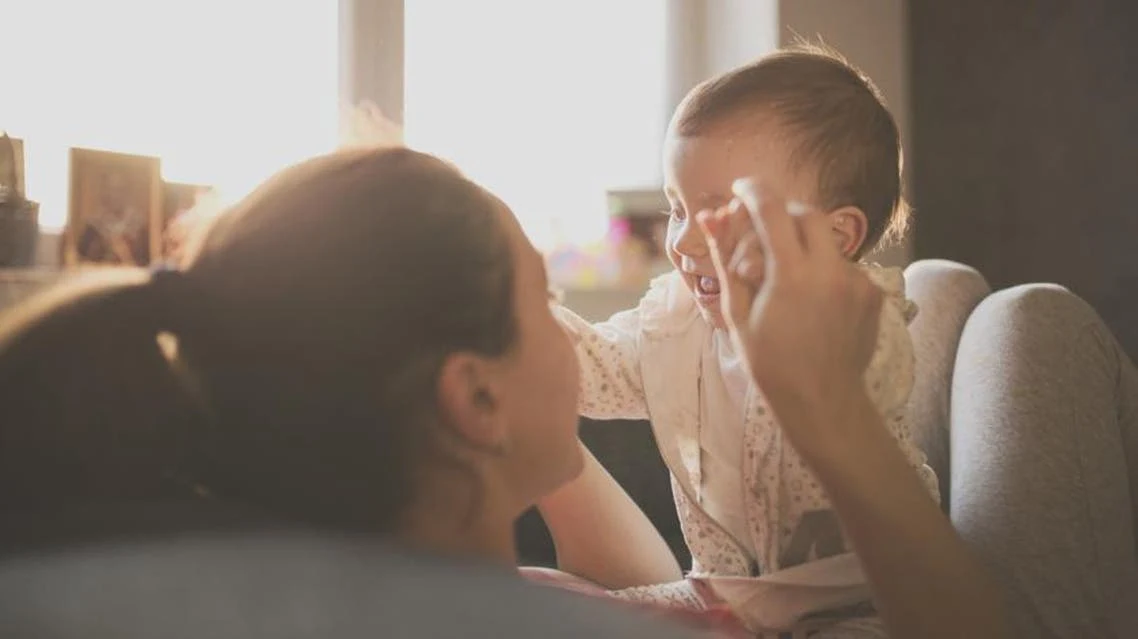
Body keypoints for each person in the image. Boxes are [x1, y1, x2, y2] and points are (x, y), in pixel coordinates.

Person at [544, 45, 935, 636]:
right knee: (555, 603)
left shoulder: (860, 319)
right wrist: (513, 303)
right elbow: (591, 372)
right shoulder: (675, 323)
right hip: (726, 597)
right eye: (678, 210)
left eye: (723, 214)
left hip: (863, 604)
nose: (687, 244)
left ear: (837, 237)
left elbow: (875, 374)